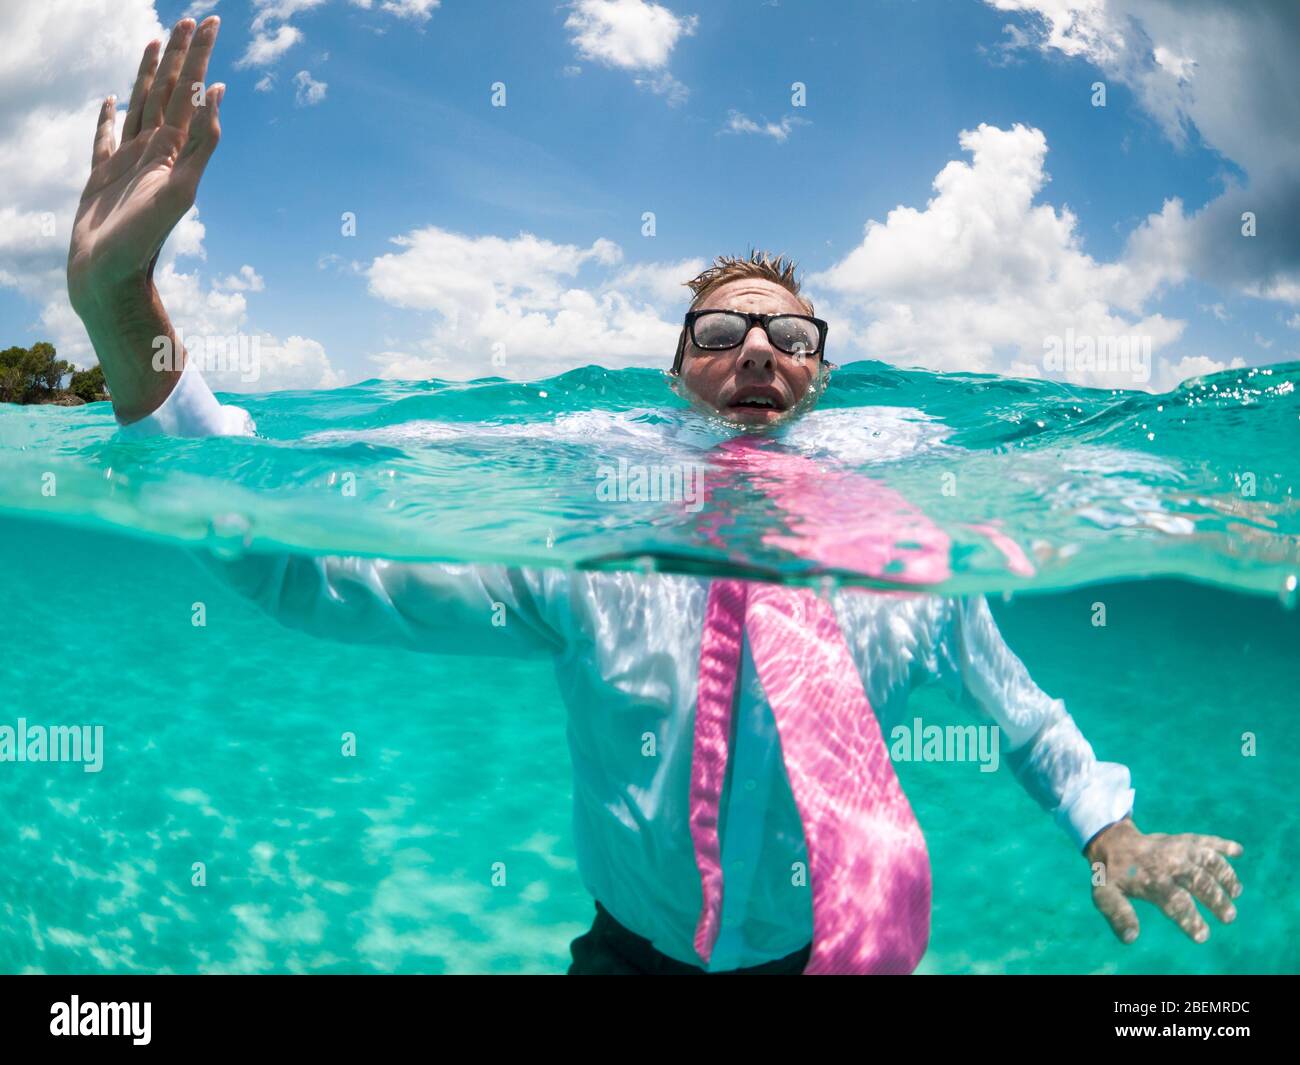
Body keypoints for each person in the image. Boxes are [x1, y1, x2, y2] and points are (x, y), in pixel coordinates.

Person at [66, 16, 1244, 975]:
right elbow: (294, 568)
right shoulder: (591, 543)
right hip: (624, 961)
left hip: (817, 957)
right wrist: (126, 307)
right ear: (679, 373)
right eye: (722, 330)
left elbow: (1024, 715)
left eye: (787, 333)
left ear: (820, 377)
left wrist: (1113, 831)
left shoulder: (905, 554)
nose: (755, 349)